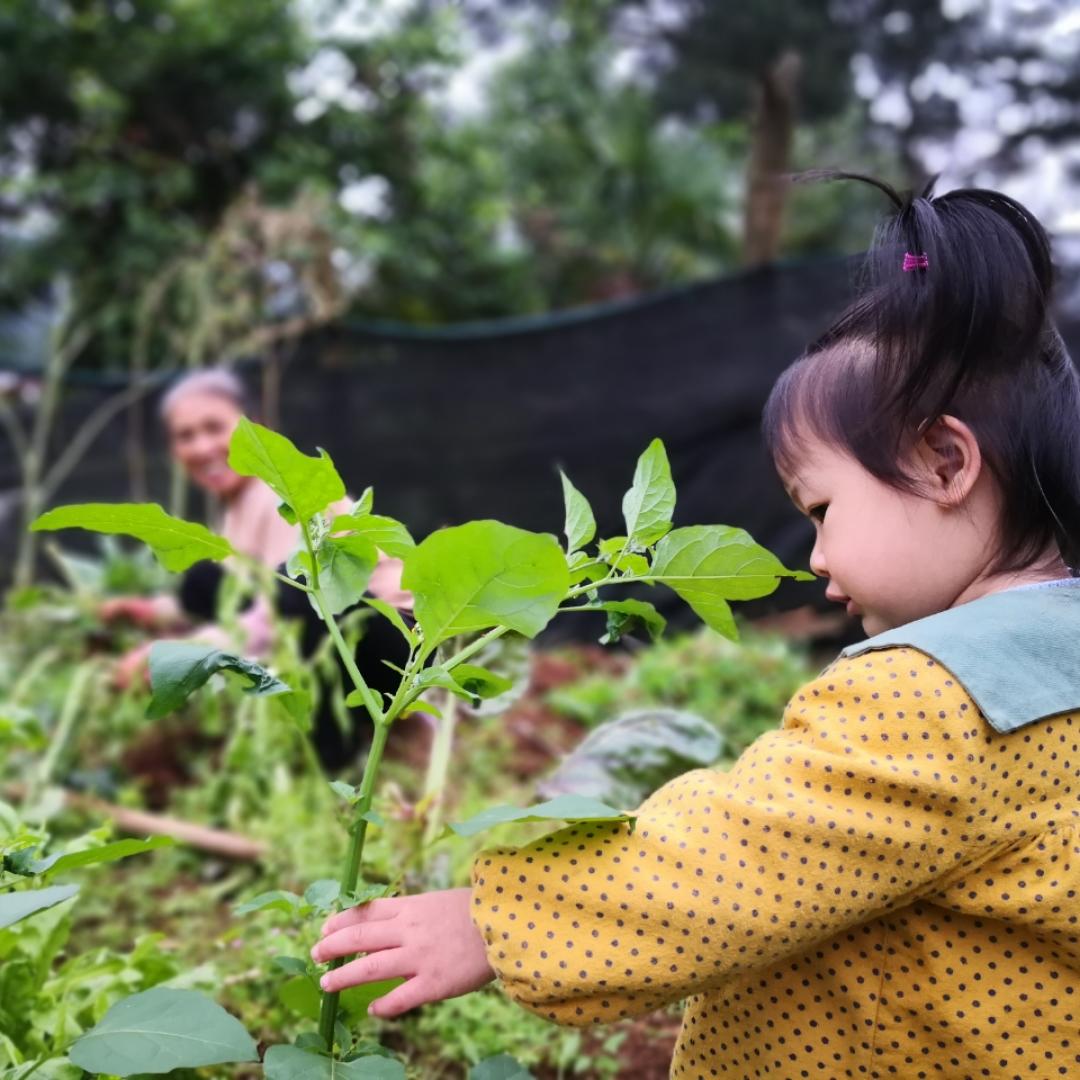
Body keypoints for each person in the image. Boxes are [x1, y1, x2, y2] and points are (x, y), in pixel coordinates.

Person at [310, 176, 1080, 1077]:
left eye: (822, 508)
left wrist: (495, 919)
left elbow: (740, 854)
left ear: (944, 462)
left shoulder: (937, 695)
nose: (818, 556)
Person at [102, 368, 410, 765]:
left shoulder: (279, 492)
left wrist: (180, 654)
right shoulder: (237, 505)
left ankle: (334, 761)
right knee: (208, 580)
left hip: (398, 643)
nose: (202, 447)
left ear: (255, 428)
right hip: (340, 640)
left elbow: (280, 612)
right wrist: (151, 613)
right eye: (185, 436)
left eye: (215, 427)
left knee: (300, 601)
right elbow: (240, 589)